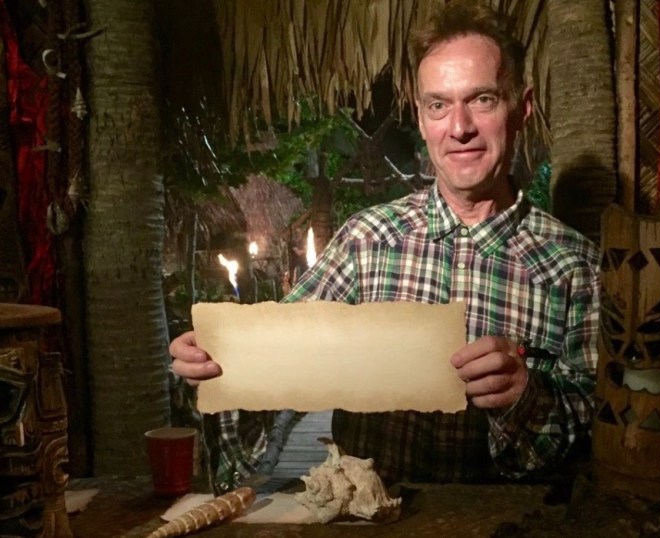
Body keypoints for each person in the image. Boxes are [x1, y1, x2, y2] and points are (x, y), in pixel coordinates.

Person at [170, 0, 600, 490]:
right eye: (439, 104)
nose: (459, 128)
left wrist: (527, 394)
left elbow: (599, 432)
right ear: (421, 119)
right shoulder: (366, 240)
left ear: (520, 108)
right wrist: (218, 359)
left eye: (481, 99)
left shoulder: (573, 266)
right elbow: (277, 351)